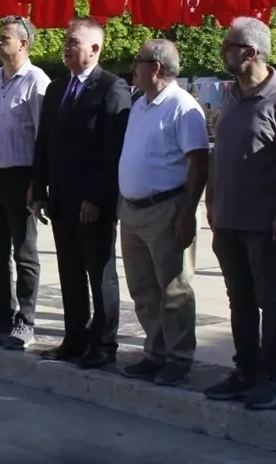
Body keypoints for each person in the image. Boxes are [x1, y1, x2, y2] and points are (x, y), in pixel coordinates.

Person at [203, 18, 276, 410]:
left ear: (250, 52)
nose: (223, 52)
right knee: (239, 298)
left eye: (228, 46)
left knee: (269, 299)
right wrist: (211, 200)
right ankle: (244, 370)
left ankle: (270, 377)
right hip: (227, 219)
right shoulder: (231, 95)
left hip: (263, 223)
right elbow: (219, 153)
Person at [32, 18, 132, 370]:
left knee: (99, 272)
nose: (67, 47)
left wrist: (97, 197)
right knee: (70, 272)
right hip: (61, 198)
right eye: (66, 40)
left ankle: (103, 344)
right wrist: (39, 188)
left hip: (93, 202)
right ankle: (74, 338)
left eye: (74, 41)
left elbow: (112, 150)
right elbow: (45, 142)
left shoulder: (112, 87)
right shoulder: (57, 89)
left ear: (95, 48)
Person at [118, 39, 210, 386]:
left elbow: (198, 162)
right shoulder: (140, 104)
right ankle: (155, 352)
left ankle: (179, 357)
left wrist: (187, 212)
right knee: (142, 288)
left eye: (138, 61)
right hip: (132, 210)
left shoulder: (182, 106)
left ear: (156, 68)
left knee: (173, 288)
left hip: (166, 209)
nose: (133, 68)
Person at [0, 16, 50, 350]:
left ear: (23, 43)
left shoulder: (36, 81)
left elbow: (43, 138)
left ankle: (25, 322)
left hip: (20, 177)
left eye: (5, 38)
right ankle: (2, 315)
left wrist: (38, 184)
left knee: (24, 253)